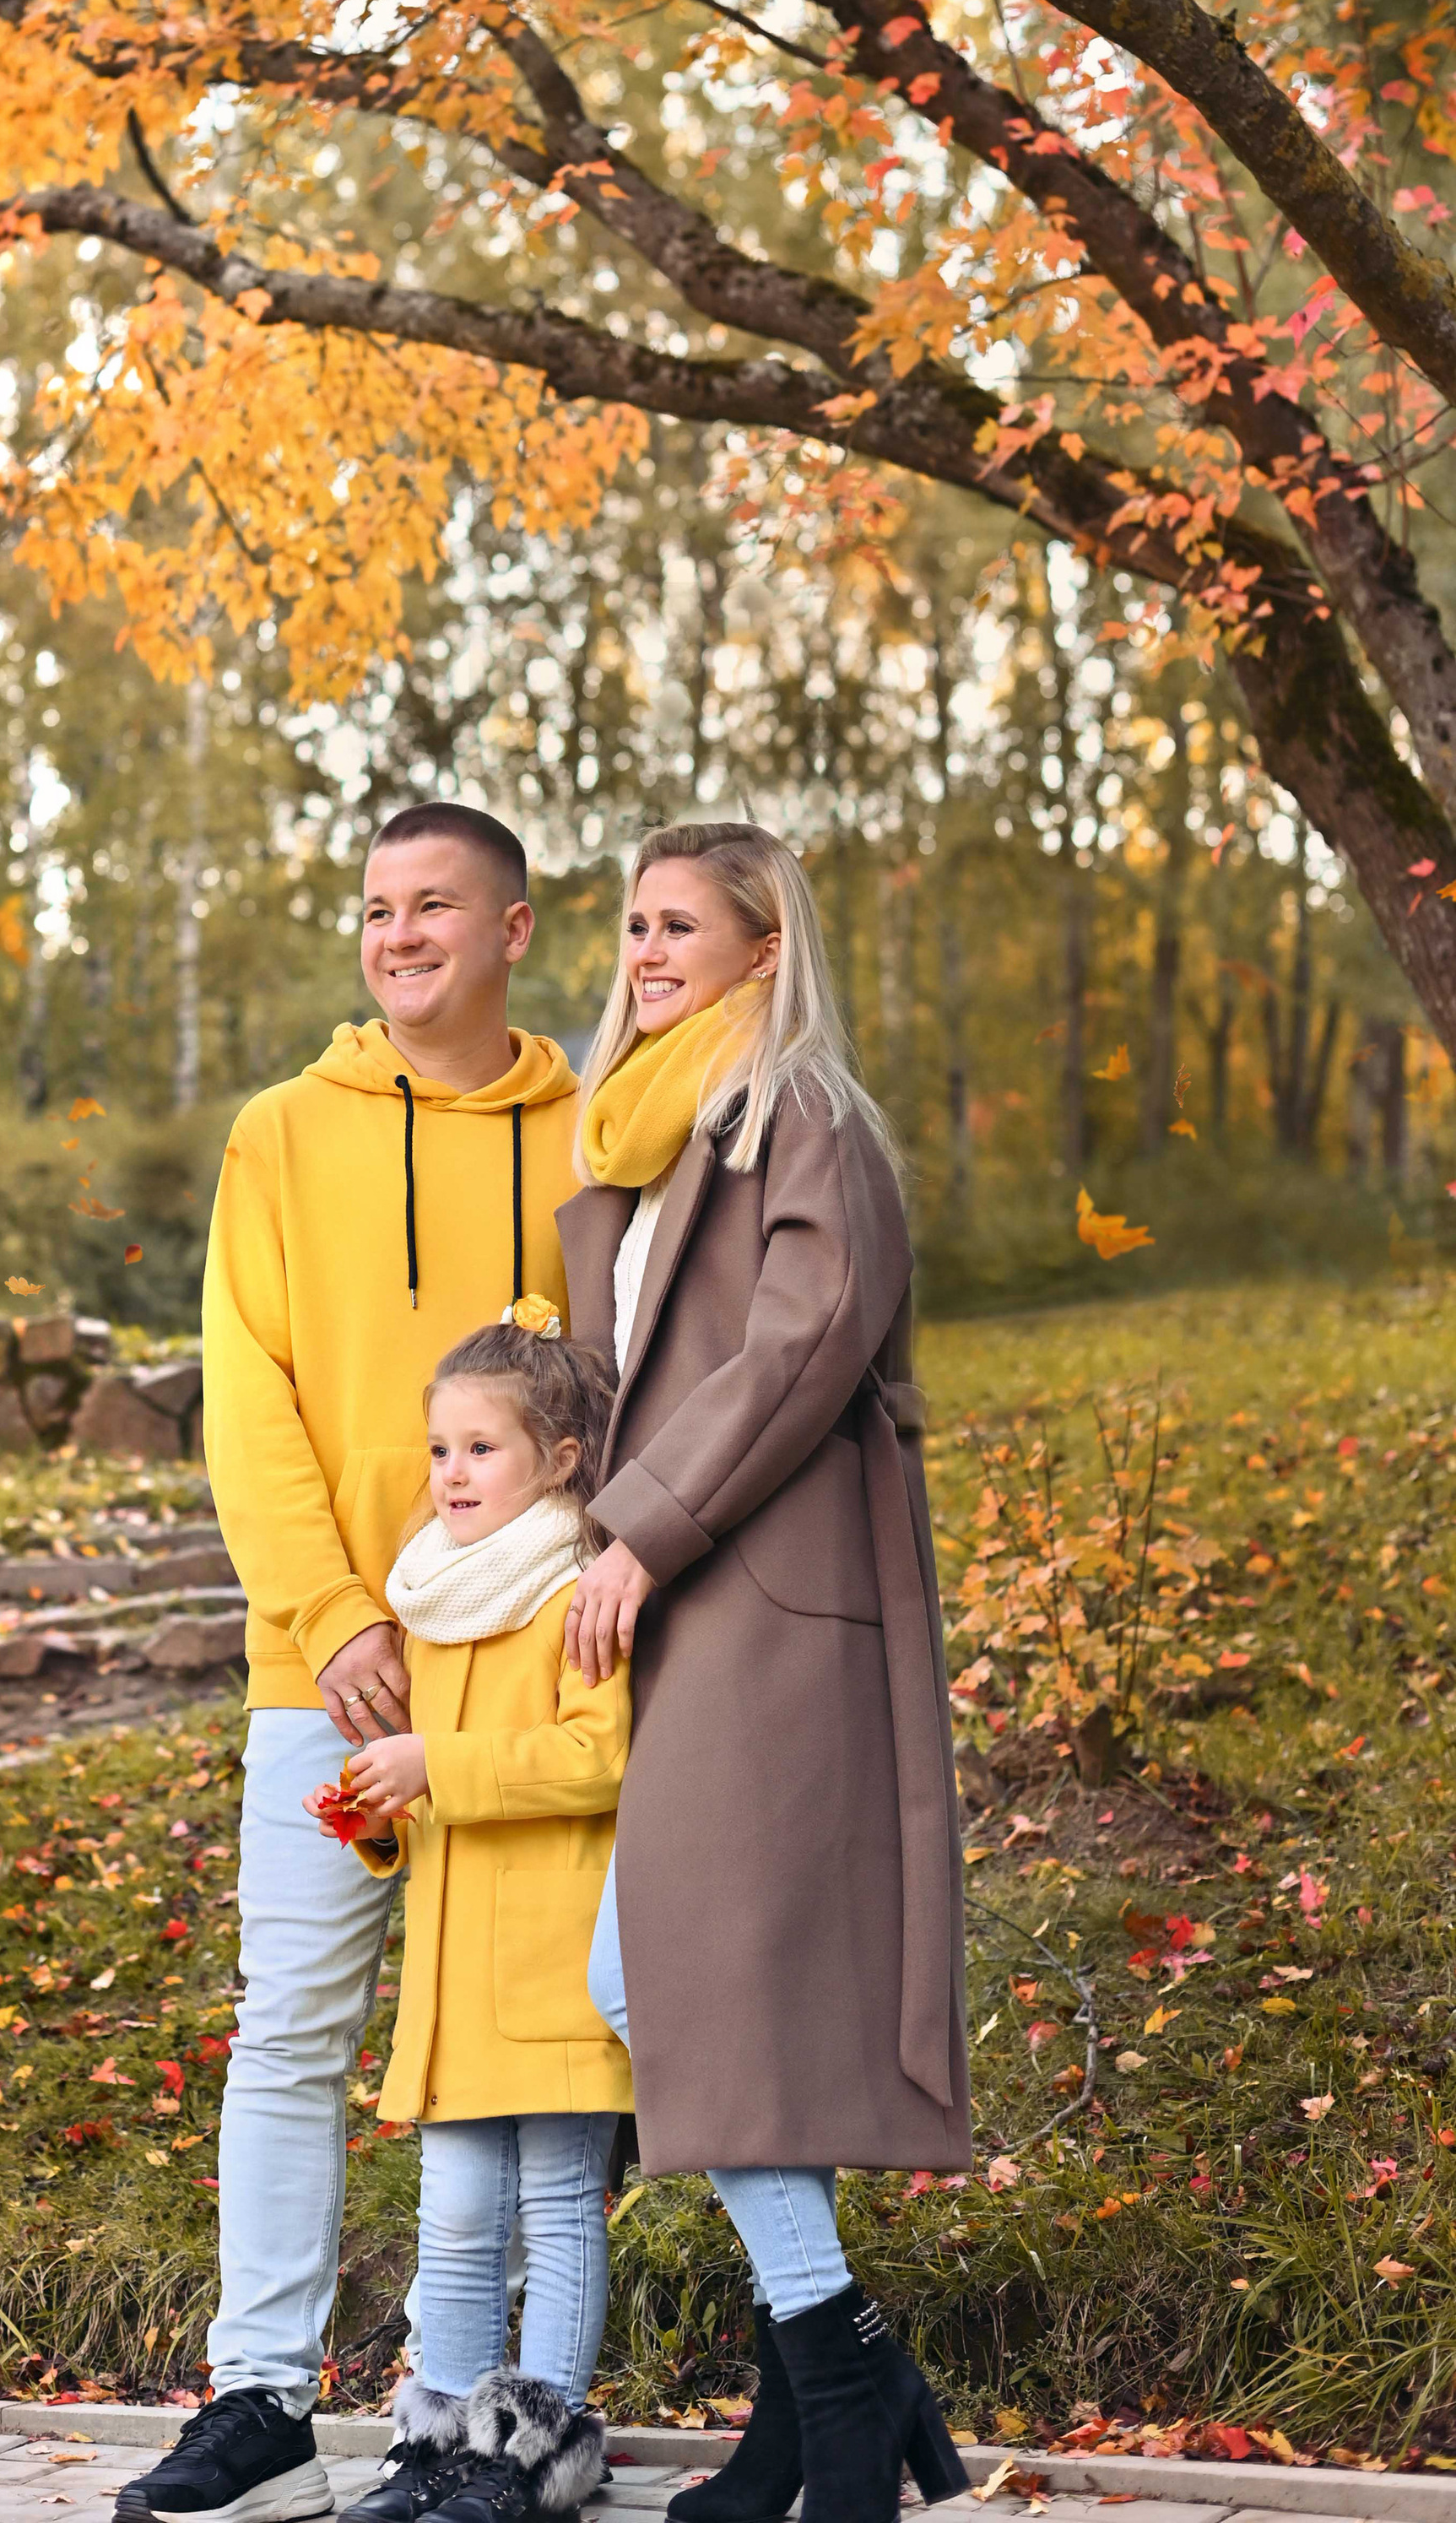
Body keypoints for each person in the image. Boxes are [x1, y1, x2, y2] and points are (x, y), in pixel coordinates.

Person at [119, 803, 582, 2523]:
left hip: (525, 1677)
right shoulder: (281, 1135)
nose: (397, 935)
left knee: (520, 2049)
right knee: (294, 2025)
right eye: (377, 907)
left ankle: (485, 2425)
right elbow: (245, 1411)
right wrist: (339, 1621)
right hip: (318, 1674)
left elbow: (612, 1401)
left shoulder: (591, 1138)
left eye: (433, 905)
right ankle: (255, 2403)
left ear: (513, 927)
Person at [557, 820, 971, 2523]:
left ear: (759, 950)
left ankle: (836, 2385)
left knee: (666, 1987)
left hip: (775, 1590)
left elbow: (803, 1344)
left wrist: (642, 1529)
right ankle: (825, 2409)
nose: (643, 954)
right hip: (688, 1594)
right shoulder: (644, 1145)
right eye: (633, 927)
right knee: (668, 1989)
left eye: (677, 928)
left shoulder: (803, 1115)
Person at [319, 1312, 627, 2523]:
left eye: (481, 1449)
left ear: (557, 1458)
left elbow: (596, 1759)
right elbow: (427, 1783)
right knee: (449, 2214)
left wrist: (434, 1762)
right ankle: (443, 2433)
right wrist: (378, 1812)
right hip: (451, 1976)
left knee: (554, 2205)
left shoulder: (576, 1598)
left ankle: (535, 2446)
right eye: (438, 1450)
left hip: (552, 1955)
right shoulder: (432, 1603)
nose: (450, 1473)